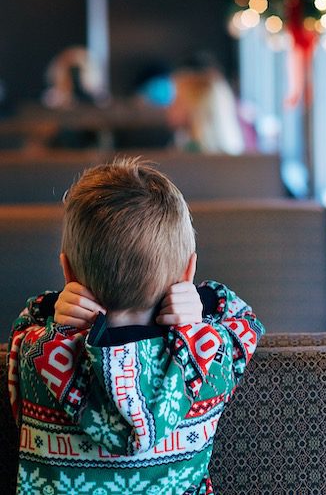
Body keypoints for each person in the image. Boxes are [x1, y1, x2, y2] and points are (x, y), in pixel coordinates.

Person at [8, 157, 264, 494]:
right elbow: (246, 321)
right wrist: (200, 306)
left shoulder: (38, 353)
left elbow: (23, 326)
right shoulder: (208, 356)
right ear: (188, 273)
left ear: (68, 272)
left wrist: (54, 309)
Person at [167, 58, 245, 155]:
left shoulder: (199, 154)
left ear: (196, 107)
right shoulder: (182, 142)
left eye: (177, 101)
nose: (169, 107)